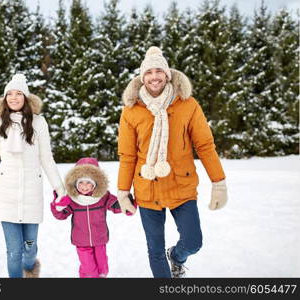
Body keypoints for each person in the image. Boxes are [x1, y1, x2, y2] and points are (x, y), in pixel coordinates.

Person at [116, 47, 228, 278]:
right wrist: (123, 192)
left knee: (193, 242)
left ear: (167, 75)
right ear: (142, 77)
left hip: (182, 186)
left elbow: (205, 145)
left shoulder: (187, 104)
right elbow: (127, 155)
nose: (154, 76)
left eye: (159, 71)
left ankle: (177, 257)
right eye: (149, 72)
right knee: (155, 251)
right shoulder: (131, 110)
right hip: (148, 187)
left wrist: (219, 183)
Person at [0, 73, 65, 278]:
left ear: (25, 98)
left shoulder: (39, 123)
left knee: (30, 248)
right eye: (9, 94)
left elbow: (46, 158)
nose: (13, 98)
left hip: (31, 194)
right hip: (6, 196)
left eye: (18, 93)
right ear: (4, 98)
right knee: (13, 252)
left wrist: (59, 188)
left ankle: (30, 266)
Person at [50, 157, 124, 278]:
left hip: (99, 239)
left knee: (102, 269)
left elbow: (116, 205)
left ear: (96, 183)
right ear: (76, 183)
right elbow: (61, 215)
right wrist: (57, 205)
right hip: (81, 241)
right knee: (89, 270)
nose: (85, 186)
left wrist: (127, 203)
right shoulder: (73, 199)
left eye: (89, 182)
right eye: (81, 183)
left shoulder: (103, 197)